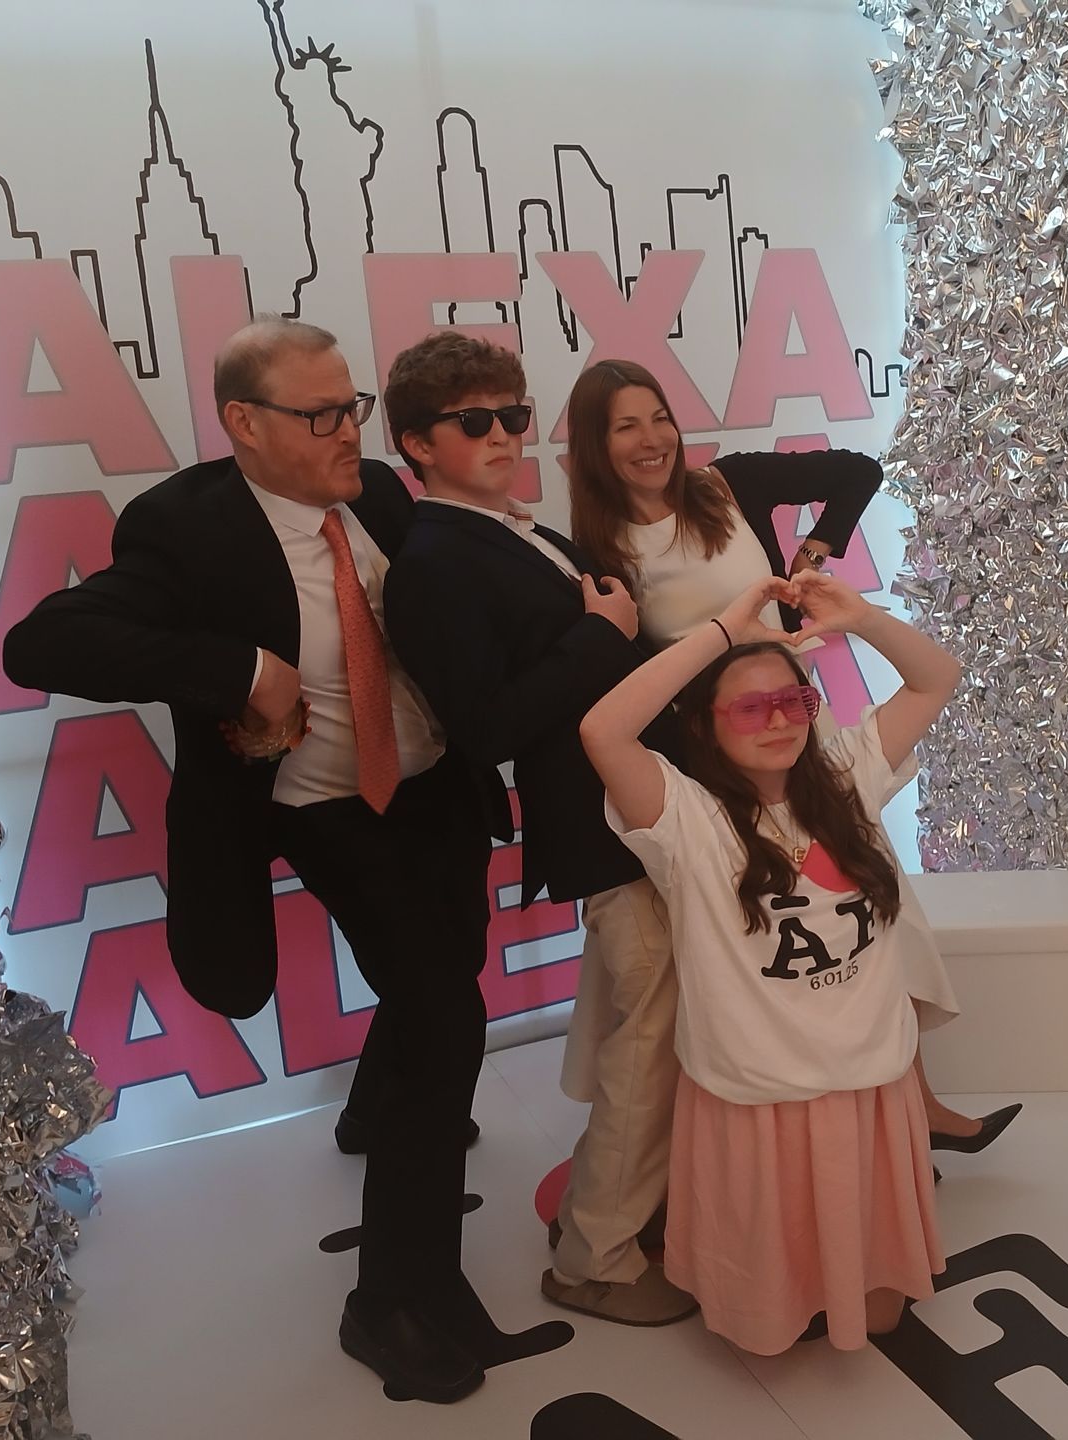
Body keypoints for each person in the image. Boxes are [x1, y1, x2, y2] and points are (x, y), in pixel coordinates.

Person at [3, 319, 553, 1405]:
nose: (350, 430)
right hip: (322, 803)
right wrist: (233, 666)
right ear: (243, 424)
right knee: (446, 1020)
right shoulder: (183, 527)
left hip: (432, 782)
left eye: (350, 405)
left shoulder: (387, 499)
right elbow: (43, 643)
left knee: (444, 977)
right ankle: (393, 1298)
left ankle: (372, 1110)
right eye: (321, 414)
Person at [565, 359, 1020, 1152]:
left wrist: (813, 554)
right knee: (774, 931)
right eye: (624, 426)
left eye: (658, 417)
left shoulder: (726, 485)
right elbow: (626, 690)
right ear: (596, 447)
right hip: (711, 758)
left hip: (793, 725)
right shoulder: (595, 549)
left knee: (874, 894)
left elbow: (856, 472)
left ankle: (908, 1093)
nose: (650, 441)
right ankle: (846, 1106)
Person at [379, 333, 697, 1327]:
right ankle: (595, 1257)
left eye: (514, 416)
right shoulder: (432, 561)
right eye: (473, 423)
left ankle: (638, 1209)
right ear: (414, 445)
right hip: (596, 822)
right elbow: (483, 730)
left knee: (654, 1028)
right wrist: (598, 635)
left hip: (647, 805)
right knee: (648, 1039)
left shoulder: (514, 529)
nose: (502, 436)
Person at [578, 569, 962, 1353]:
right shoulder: (686, 817)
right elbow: (602, 732)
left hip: (869, 1086)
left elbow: (936, 678)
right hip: (758, 1095)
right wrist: (723, 630)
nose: (778, 720)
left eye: (794, 702)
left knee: (880, 1311)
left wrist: (860, 618)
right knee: (774, 1322)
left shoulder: (848, 777)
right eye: (749, 707)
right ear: (706, 725)